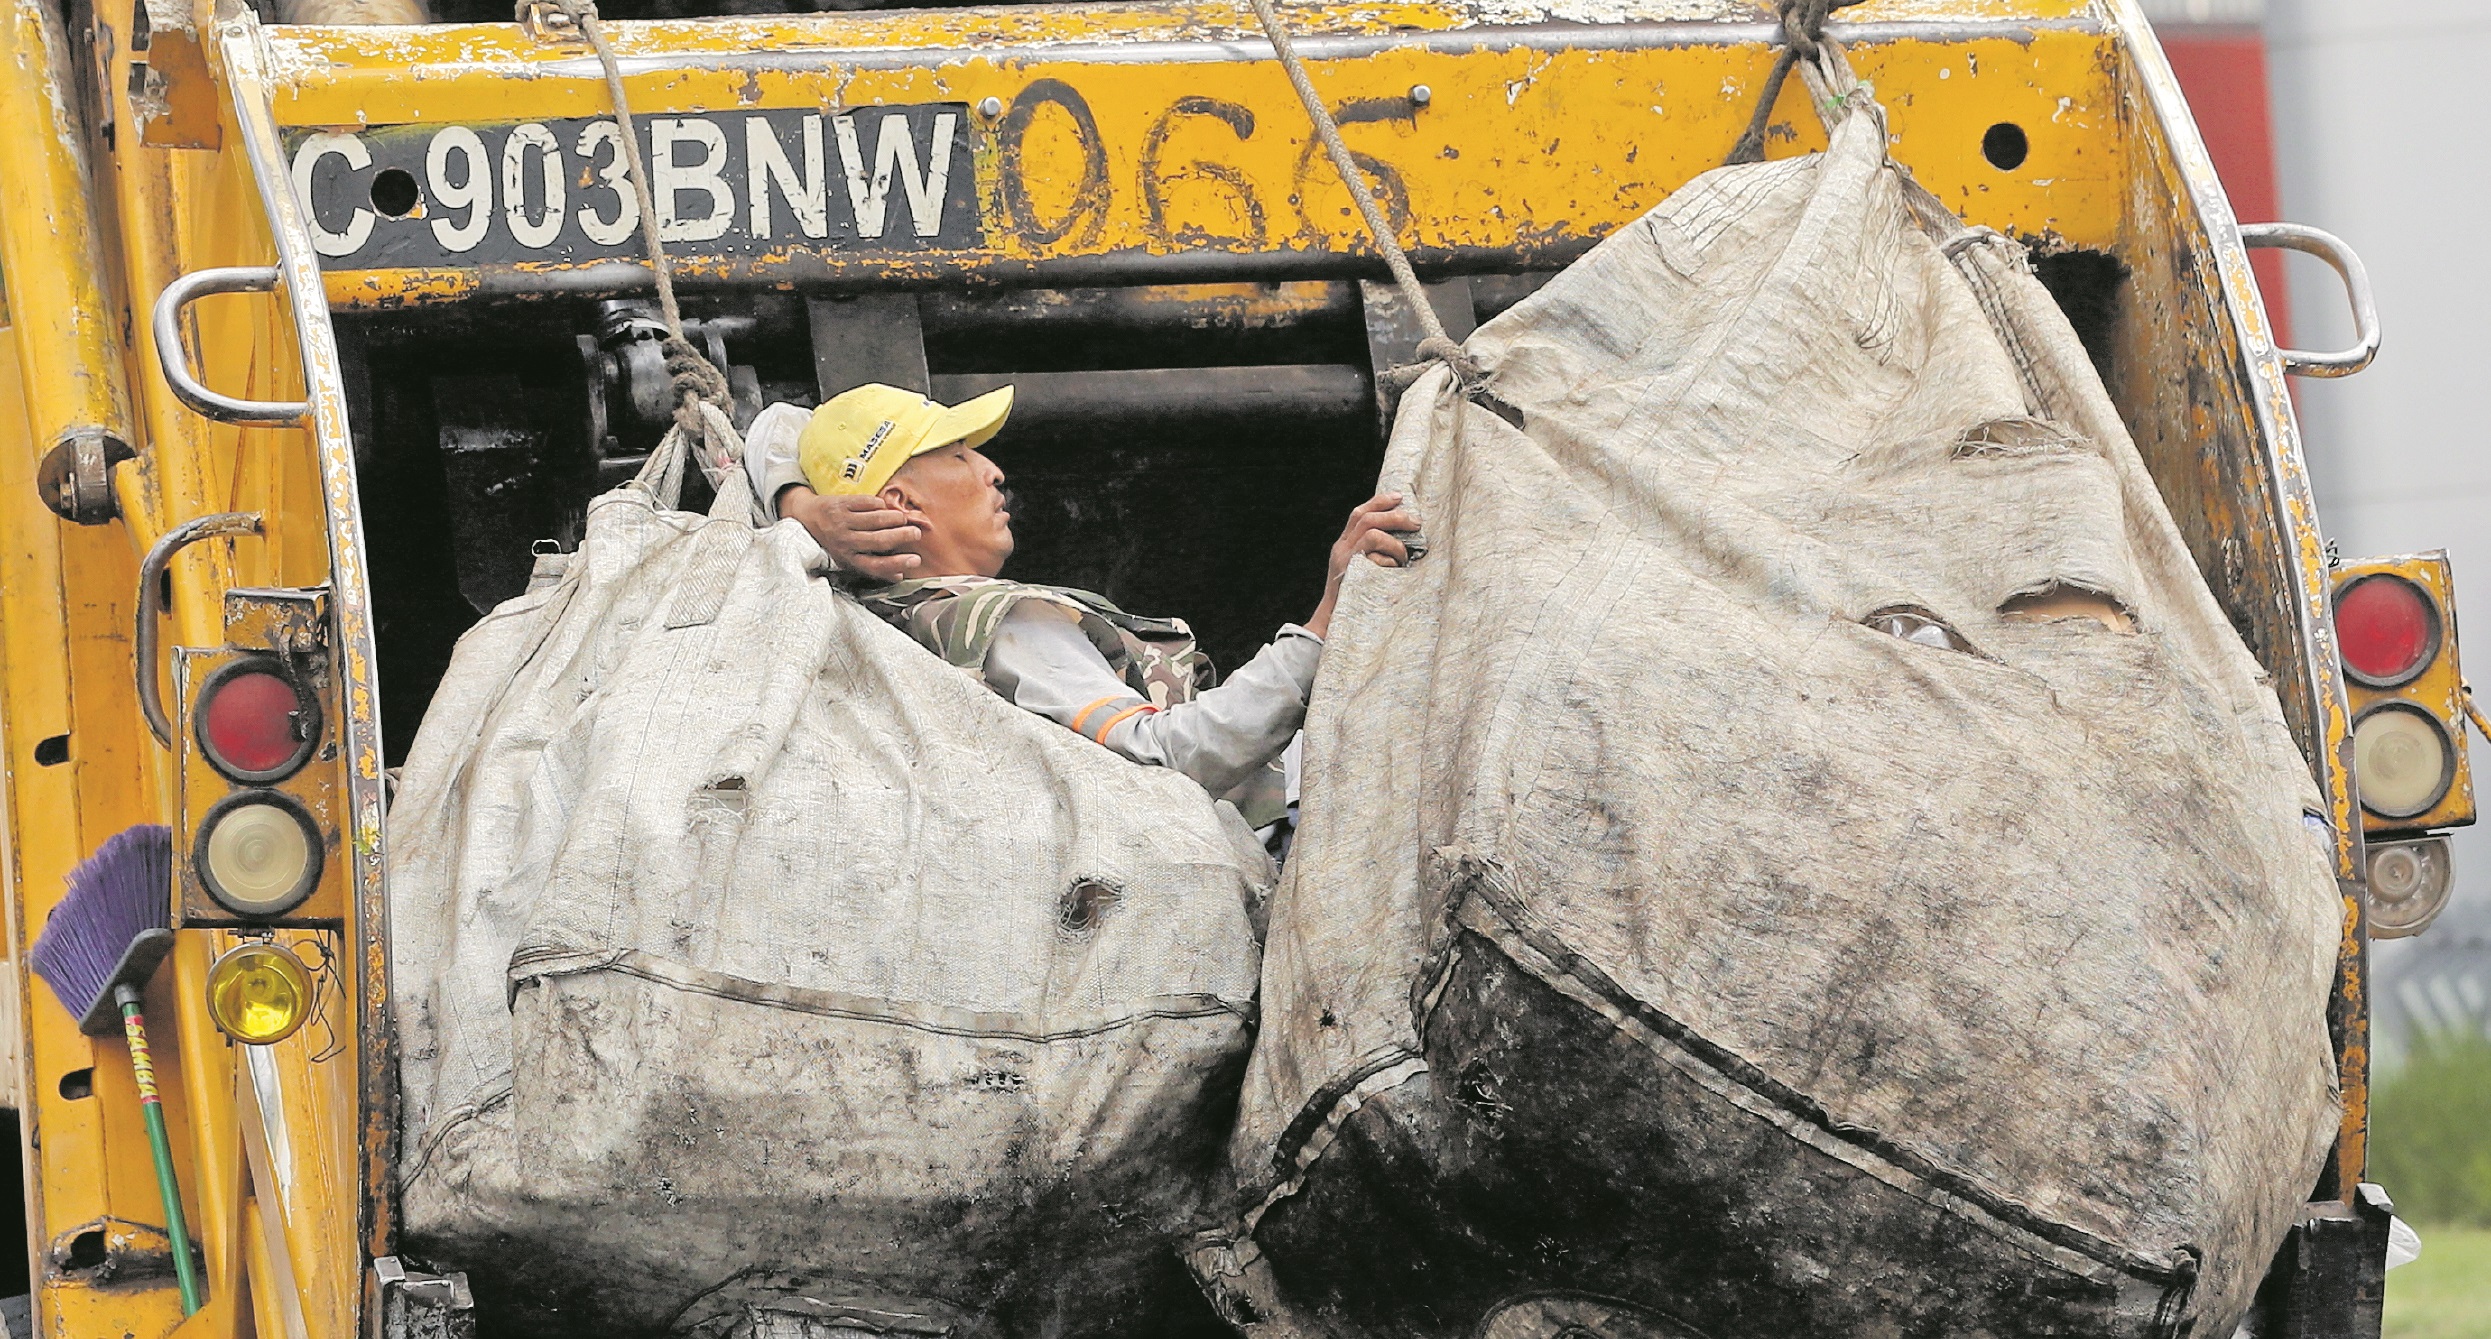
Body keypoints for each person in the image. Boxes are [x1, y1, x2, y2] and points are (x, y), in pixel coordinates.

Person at [742, 384, 1417, 815]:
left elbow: (770, 426)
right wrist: (1325, 620)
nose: (992, 468)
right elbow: (1166, 757)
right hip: (1274, 823)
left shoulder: (876, 620)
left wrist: (800, 508)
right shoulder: (999, 624)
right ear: (899, 502)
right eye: (955, 455)